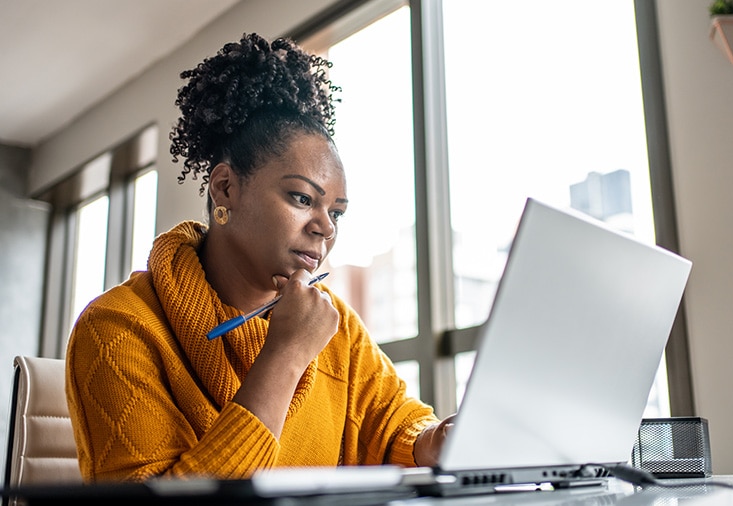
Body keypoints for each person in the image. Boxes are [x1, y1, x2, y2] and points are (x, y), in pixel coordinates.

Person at [65, 32, 453, 482]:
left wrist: (434, 439)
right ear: (226, 187)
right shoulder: (118, 328)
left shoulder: (337, 327)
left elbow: (394, 426)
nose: (325, 227)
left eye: (337, 213)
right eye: (302, 198)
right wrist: (286, 355)